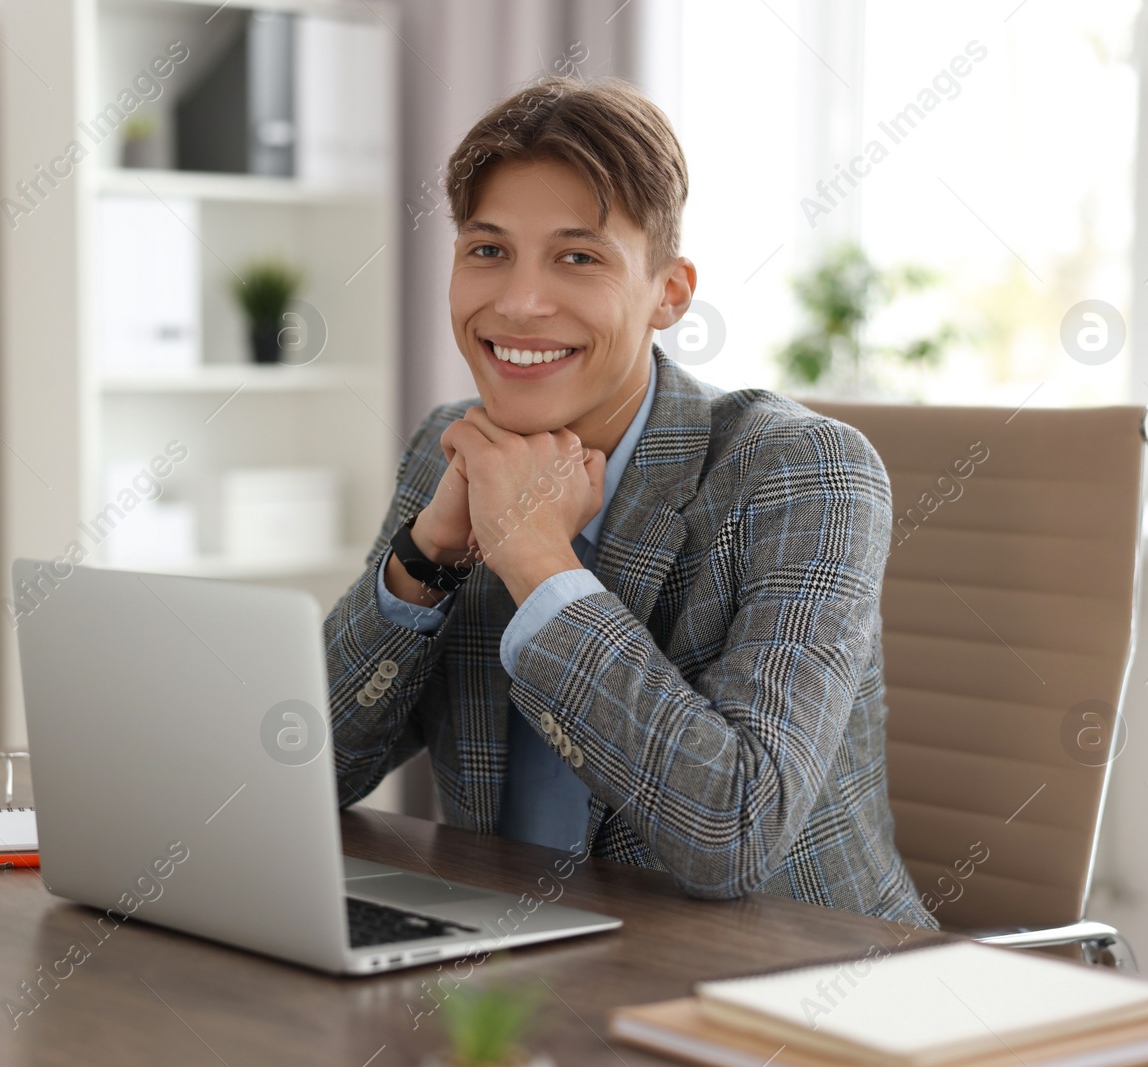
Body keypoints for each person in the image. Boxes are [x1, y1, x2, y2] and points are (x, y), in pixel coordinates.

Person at [323, 74, 935, 928]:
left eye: (578, 256)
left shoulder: (805, 473)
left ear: (669, 292)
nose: (519, 303)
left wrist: (540, 564)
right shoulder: (446, 448)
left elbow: (732, 833)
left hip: (792, 988)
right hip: (516, 971)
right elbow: (311, 771)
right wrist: (425, 558)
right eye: (487, 250)